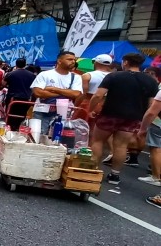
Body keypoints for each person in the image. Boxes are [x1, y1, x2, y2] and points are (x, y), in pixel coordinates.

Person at [89, 53, 158, 187]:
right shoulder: (150, 81)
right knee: (121, 146)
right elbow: (151, 104)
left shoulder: (114, 76)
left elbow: (98, 95)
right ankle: (115, 175)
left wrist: (91, 109)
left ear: (125, 62)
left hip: (109, 114)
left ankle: (94, 170)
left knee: (97, 141)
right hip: (133, 117)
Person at [30, 50, 83, 134]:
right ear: (59, 61)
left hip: (63, 112)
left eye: (74, 60)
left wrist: (54, 89)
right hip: (42, 111)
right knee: (37, 135)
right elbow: (38, 93)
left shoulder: (76, 78)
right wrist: (66, 93)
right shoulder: (45, 74)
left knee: (58, 137)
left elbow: (76, 94)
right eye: (69, 59)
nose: (73, 62)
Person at [3, 58, 35, 129]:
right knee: (21, 117)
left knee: (10, 116)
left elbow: (3, 83)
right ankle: (17, 130)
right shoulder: (32, 75)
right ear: (25, 64)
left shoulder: (10, 74)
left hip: (13, 99)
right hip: (26, 99)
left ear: (16, 64)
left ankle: (10, 131)